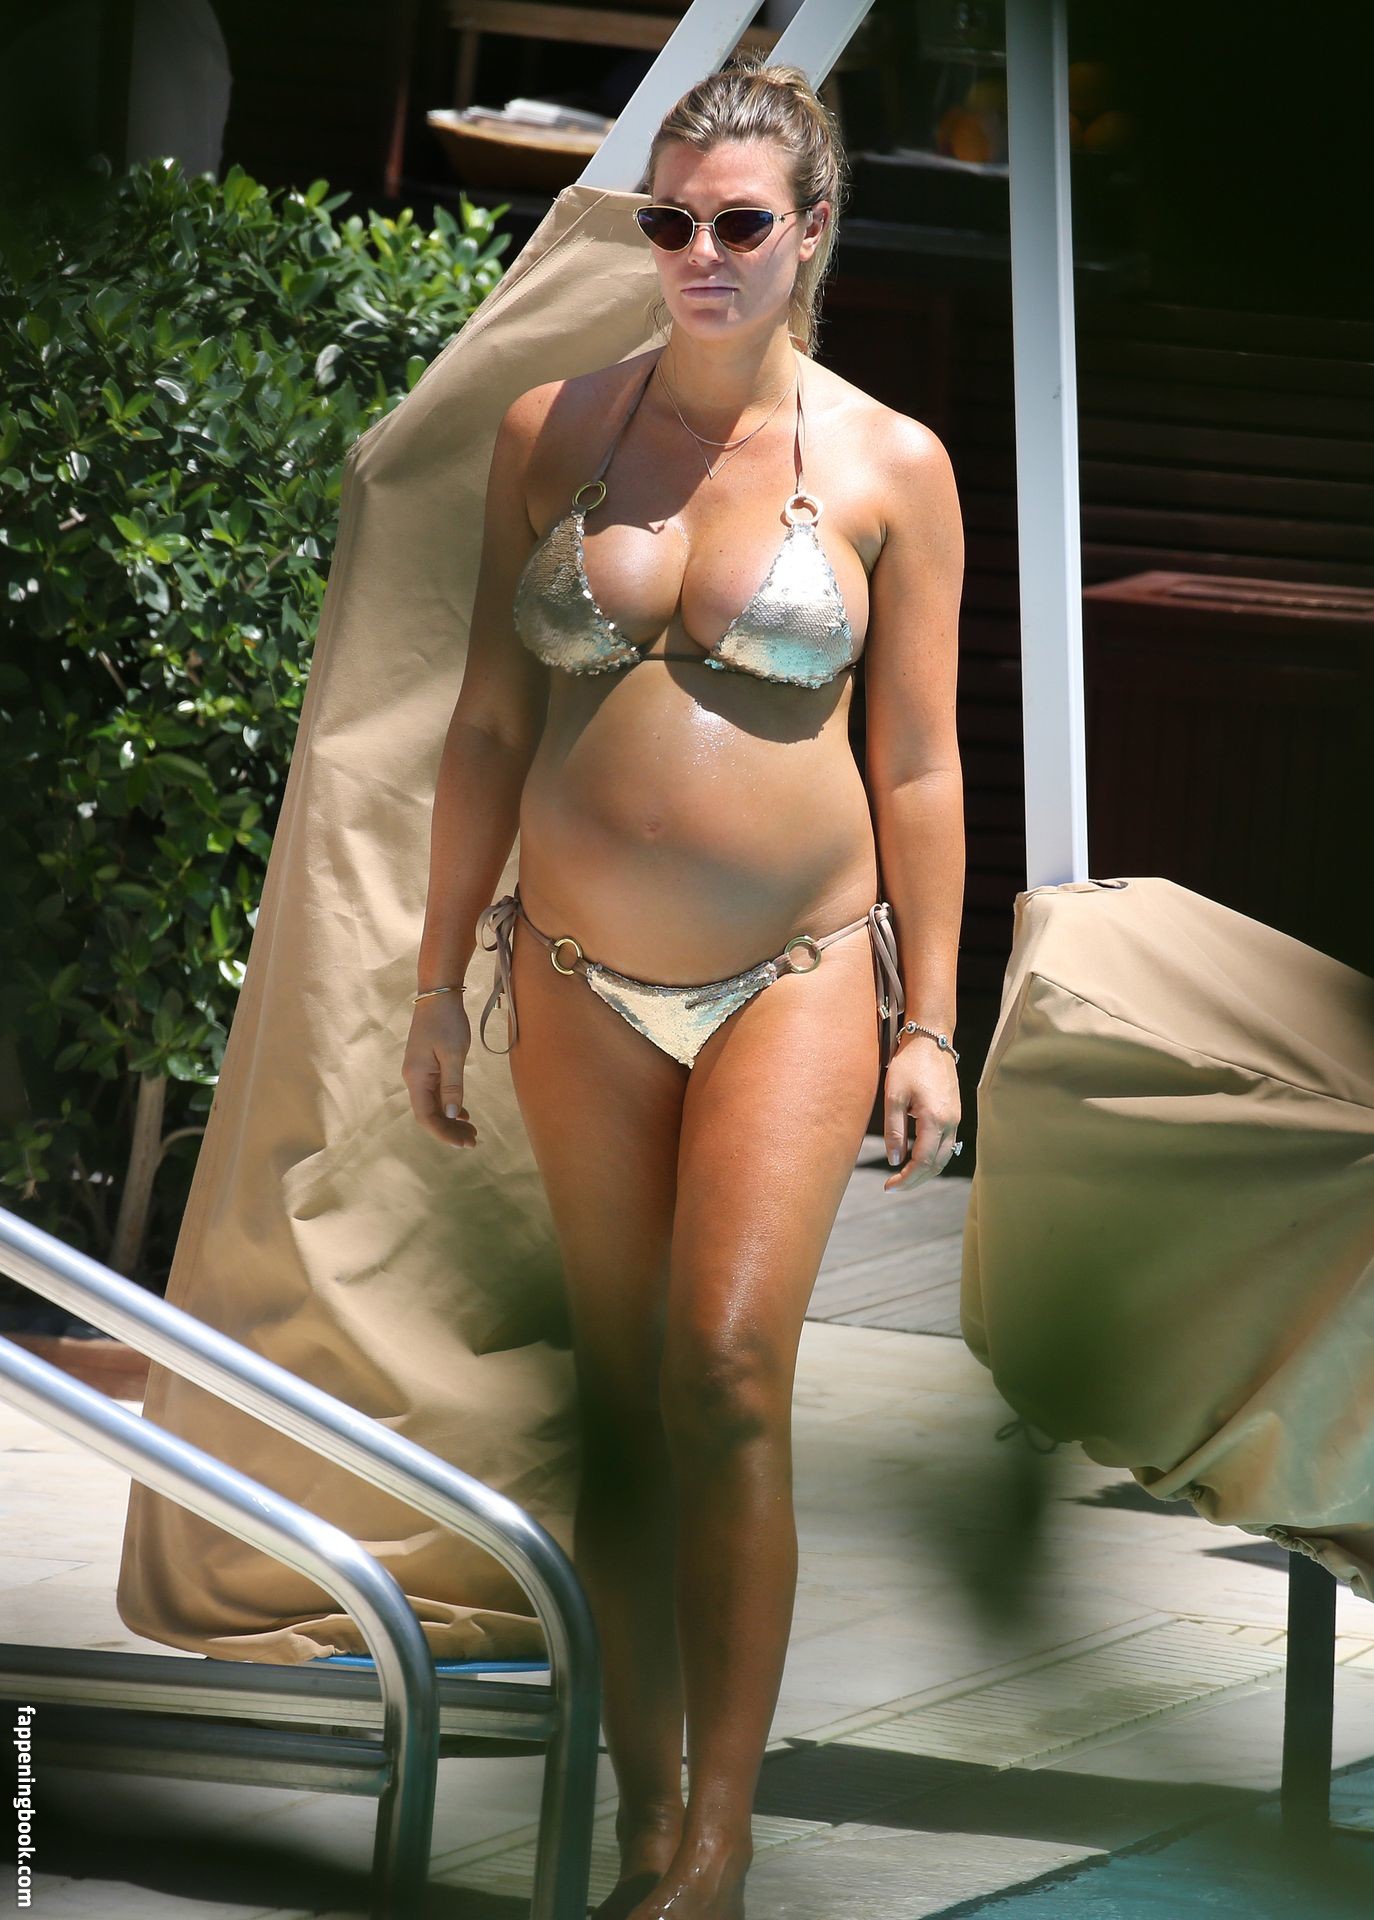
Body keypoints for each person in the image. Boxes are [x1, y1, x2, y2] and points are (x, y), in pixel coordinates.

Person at [403, 52, 965, 1920]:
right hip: (570, 974)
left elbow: (918, 766)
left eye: (736, 223)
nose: (698, 255)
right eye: (668, 221)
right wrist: (435, 982)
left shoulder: (890, 466)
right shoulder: (552, 430)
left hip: (788, 976)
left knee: (723, 1373)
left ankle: (716, 1846)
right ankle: (641, 1822)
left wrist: (928, 1023)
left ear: (810, 232)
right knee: (623, 1399)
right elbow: (489, 723)